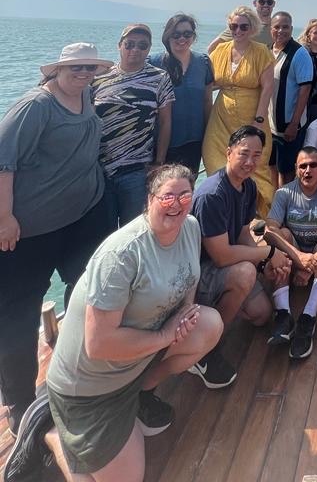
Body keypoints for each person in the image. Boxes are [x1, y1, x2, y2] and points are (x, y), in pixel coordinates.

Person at [27, 166, 222, 482]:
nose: (177, 203)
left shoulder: (190, 227)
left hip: (136, 362)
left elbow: (188, 278)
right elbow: (99, 344)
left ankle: (138, 394)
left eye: (185, 194)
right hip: (91, 385)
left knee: (209, 325)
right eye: (167, 196)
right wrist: (164, 335)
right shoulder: (122, 254)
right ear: (149, 199)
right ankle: (52, 433)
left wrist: (184, 315)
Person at [0, 43, 113, 437]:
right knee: (18, 313)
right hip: (31, 230)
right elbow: (3, 160)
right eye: (76, 68)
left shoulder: (86, 97)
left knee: (85, 291)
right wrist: (4, 217)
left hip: (82, 217)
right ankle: (18, 399)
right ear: (57, 71)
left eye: (89, 68)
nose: (83, 74)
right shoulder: (36, 106)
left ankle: (77, 369)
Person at [190, 126, 292, 388]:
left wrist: (265, 261)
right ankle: (203, 347)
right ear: (228, 152)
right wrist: (267, 253)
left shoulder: (247, 187)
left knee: (261, 314)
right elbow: (222, 256)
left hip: (226, 264)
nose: (250, 162)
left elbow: (245, 232)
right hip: (199, 273)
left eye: (256, 155)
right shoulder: (212, 195)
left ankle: (220, 308)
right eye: (244, 154)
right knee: (246, 272)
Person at [265, 146, 317, 359]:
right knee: (280, 233)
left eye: (313, 165)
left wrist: (313, 262)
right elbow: (269, 228)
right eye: (303, 166)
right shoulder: (284, 193)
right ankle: (283, 314)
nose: (308, 170)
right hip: (295, 257)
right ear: (296, 168)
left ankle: (308, 316)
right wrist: (298, 257)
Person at [92, 24, 175, 228]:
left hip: (137, 170)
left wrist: (159, 162)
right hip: (100, 169)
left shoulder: (159, 78)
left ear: (148, 49)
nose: (135, 50)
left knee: (133, 231)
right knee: (103, 233)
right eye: (129, 44)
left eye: (142, 45)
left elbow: (165, 122)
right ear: (119, 46)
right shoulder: (98, 78)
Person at [202, 6, 275, 218]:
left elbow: (268, 87)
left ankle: (260, 220)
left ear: (252, 28)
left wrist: (259, 120)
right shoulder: (220, 51)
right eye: (233, 26)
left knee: (256, 168)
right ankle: (224, 213)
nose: (238, 31)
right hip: (220, 119)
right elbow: (210, 83)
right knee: (216, 164)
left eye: (243, 26)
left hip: (252, 119)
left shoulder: (262, 52)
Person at [148, 13, 214, 174]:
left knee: (187, 192)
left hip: (194, 141)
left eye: (187, 34)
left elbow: (207, 101)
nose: (181, 38)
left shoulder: (203, 62)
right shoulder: (153, 63)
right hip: (162, 143)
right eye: (176, 34)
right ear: (167, 36)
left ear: (193, 36)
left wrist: (209, 136)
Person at [269, 11, 314, 187]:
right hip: (270, 125)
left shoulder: (299, 53)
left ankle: (285, 208)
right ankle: (273, 204)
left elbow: (305, 89)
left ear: (292, 29)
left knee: (286, 171)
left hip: (289, 125)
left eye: (285, 27)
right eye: (277, 27)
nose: (281, 31)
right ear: (271, 29)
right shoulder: (267, 50)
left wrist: (294, 123)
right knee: (271, 166)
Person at [208, 0, 275, 52]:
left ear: (273, 4)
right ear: (254, 3)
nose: (266, 5)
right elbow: (212, 48)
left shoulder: (278, 28)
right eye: (261, 2)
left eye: (269, 2)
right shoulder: (243, 25)